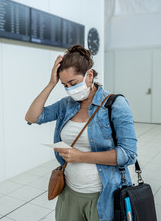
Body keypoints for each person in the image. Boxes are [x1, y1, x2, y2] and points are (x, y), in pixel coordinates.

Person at [25, 45, 137, 221]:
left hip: (103, 196)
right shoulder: (66, 105)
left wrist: (82, 156)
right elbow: (32, 117)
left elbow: (128, 154)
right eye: (65, 85)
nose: (70, 89)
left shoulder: (115, 104)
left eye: (74, 83)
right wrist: (51, 84)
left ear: (89, 75)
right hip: (69, 193)